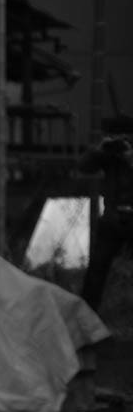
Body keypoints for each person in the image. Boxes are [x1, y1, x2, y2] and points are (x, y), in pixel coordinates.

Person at [79, 114, 133, 312]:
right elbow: (83, 167)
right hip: (113, 217)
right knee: (97, 269)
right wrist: (99, 148)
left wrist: (130, 157)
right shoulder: (108, 155)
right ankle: (87, 315)